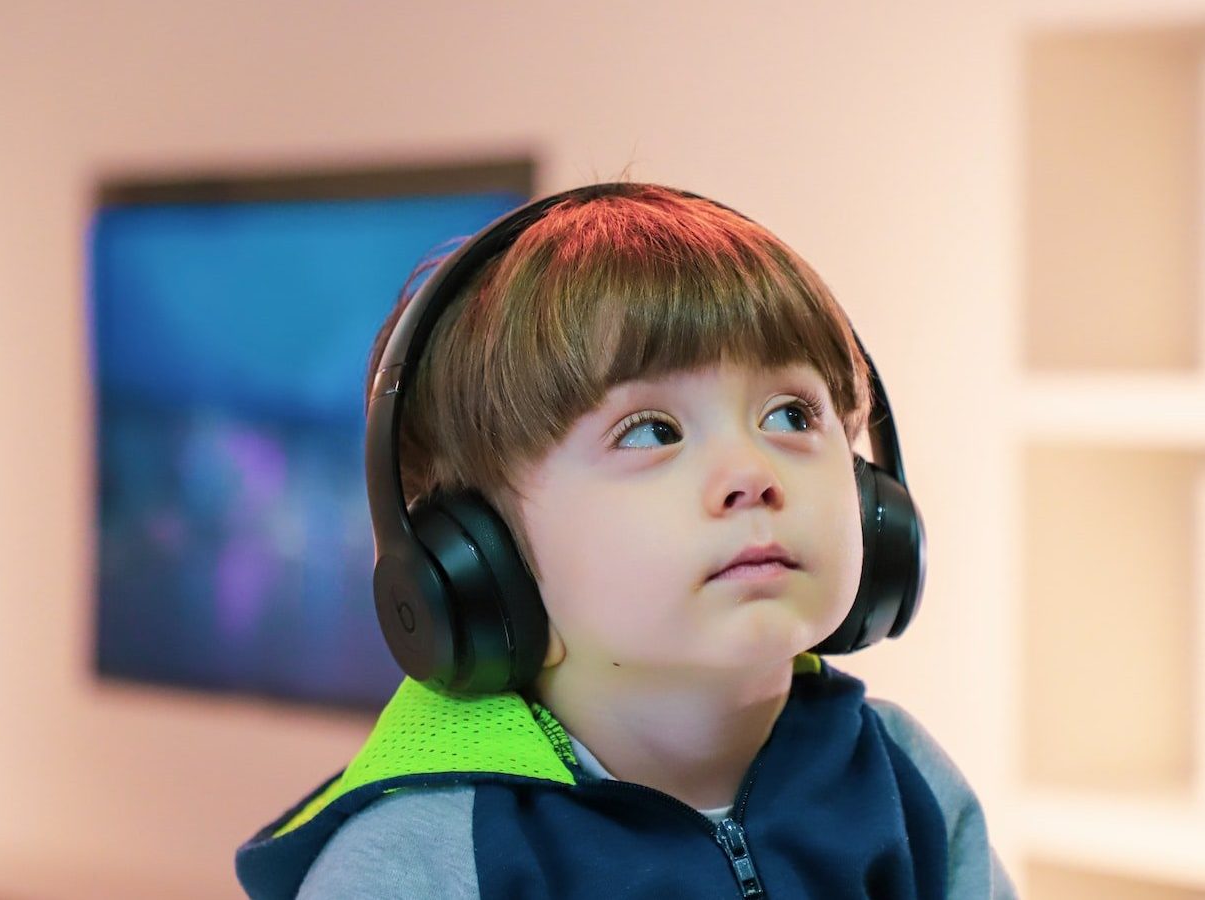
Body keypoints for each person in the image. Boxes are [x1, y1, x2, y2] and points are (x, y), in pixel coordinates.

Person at [234, 181, 1016, 898]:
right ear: (480, 559)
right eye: (651, 431)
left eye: (792, 415)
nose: (752, 472)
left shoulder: (903, 782)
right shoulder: (425, 858)